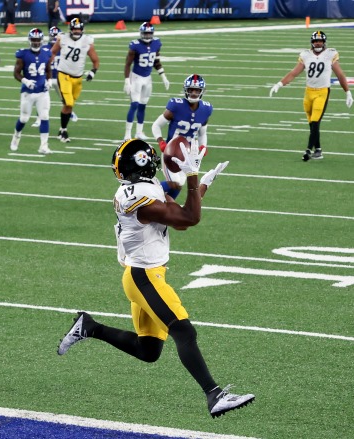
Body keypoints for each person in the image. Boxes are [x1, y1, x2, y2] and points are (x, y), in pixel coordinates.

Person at [57, 138, 253, 418]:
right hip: (144, 276)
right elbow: (190, 218)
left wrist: (202, 185)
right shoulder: (142, 200)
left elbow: (181, 219)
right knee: (184, 332)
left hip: (142, 275)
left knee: (148, 351)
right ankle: (215, 395)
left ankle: (90, 327)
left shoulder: (142, 189)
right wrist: (192, 177)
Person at [269, 30, 353, 161]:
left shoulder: (330, 54)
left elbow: (340, 74)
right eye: (316, 41)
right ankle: (318, 150)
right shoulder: (305, 55)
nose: (318, 43)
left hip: (322, 92)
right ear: (312, 42)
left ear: (324, 42)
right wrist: (279, 84)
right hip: (308, 92)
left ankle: (308, 150)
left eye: (320, 41)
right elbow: (294, 73)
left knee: (315, 121)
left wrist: (347, 92)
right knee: (312, 124)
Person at [151, 74, 212, 199]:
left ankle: (166, 205)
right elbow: (156, 125)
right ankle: (145, 191)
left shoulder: (206, 109)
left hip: (188, 153)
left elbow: (202, 133)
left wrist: (203, 146)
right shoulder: (176, 106)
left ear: (202, 91)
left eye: (197, 90)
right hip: (171, 152)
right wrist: (161, 142)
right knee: (175, 183)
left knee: (180, 184)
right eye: (191, 90)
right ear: (185, 90)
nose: (193, 93)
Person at [50, 17, 98, 143]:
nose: (77, 31)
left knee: (69, 106)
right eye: (74, 29)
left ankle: (61, 130)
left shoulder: (87, 41)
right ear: (70, 29)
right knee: (69, 103)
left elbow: (95, 60)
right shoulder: (62, 38)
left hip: (78, 78)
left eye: (78, 29)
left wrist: (92, 72)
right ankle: (64, 131)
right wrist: (48, 67)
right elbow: (52, 52)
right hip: (63, 75)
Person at [123, 22, 169, 141]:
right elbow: (128, 64)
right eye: (146, 33)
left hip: (148, 78)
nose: (148, 35)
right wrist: (127, 80)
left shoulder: (156, 43)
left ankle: (139, 132)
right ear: (141, 33)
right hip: (136, 77)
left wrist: (163, 75)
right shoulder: (135, 45)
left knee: (143, 106)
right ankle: (127, 134)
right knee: (134, 105)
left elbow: (156, 61)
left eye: (149, 33)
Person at [10, 28, 51, 155]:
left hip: (42, 92)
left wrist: (49, 81)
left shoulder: (46, 53)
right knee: (24, 118)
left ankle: (44, 146)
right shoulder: (23, 54)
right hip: (28, 92)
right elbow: (16, 73)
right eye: (33, 39)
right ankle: (16, 136)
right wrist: (25, 81)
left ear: (41, 40)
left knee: (44, 116)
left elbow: (48, 70)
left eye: (38, 40)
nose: (36, 42)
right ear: (29, 40)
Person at [31, 26, 76, 128]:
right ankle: (39, 119)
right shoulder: (44, 48)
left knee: (65, 98)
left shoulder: (65, 47)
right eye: (53, 36)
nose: (54, 38)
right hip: (48, 77)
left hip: (60, 77)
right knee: (42, 99)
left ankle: (70, 113)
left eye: (56, 36)